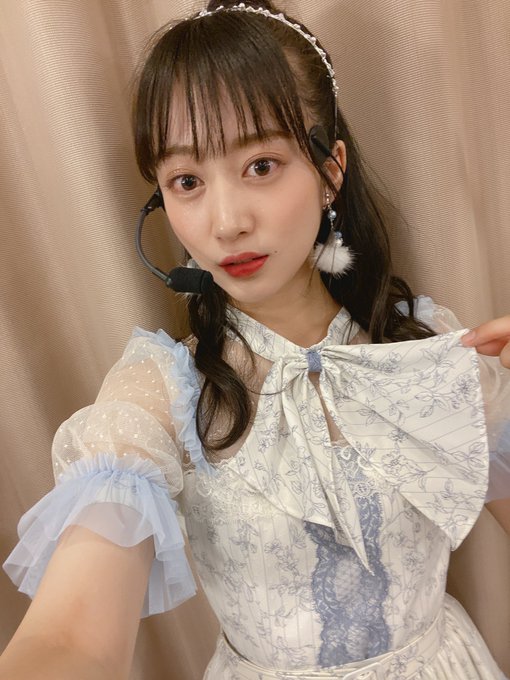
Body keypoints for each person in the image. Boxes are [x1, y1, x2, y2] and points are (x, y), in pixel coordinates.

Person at [1, 1, 509, 678]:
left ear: (330, 171)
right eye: (186, 181)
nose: (225, 222)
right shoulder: (159, 393)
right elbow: (70, 639)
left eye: (261, 165)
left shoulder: (428, 350)